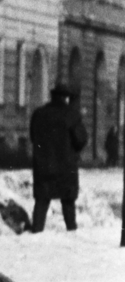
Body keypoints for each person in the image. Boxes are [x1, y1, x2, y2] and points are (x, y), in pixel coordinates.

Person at [29, 83, 86, 231]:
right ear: (66, 98)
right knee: (68, 202)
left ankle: (36, 230)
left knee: (41, 201)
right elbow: (80, 140)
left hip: (43, 165)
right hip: (66, 167)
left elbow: (33, 137)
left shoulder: (38, 113)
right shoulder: (71, 115)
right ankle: (71, 231)